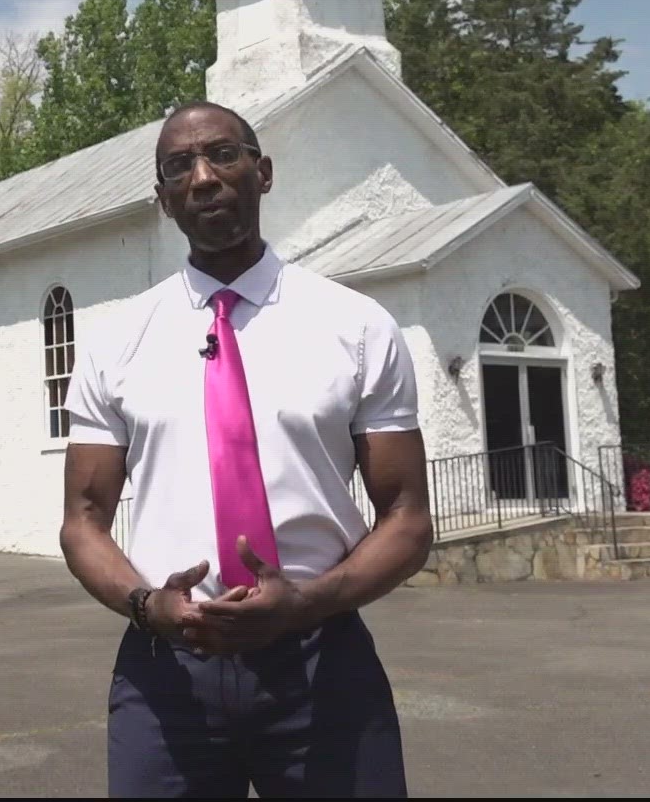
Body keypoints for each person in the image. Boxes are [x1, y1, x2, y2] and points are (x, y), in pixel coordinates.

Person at [59, 100, 434, 798]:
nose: (203, 177)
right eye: (179, 167)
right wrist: (147, 606)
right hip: (167, 669)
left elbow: (408, 518)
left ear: (262, 173)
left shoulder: (355, 327)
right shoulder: (117, 342)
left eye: (223, 155)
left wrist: (307, 603)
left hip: (321, 660)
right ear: (163, 199)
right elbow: (83, 521)